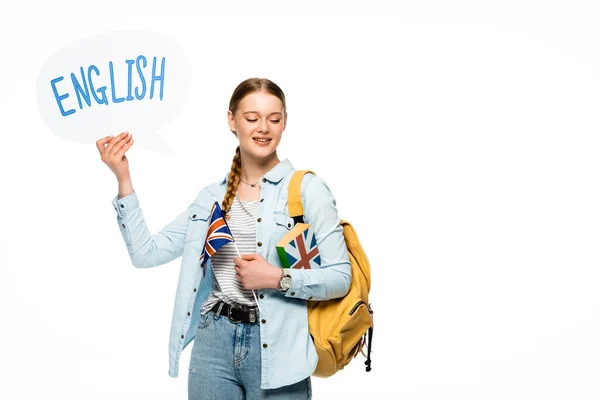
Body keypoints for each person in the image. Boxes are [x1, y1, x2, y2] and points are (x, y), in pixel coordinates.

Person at [96, 77, 352, 399]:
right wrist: (123, 178)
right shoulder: (211, 199)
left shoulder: (306, 190)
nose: (263, 128)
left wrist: (276, 277)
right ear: (232, 121)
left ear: (284, 122)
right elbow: (146, 253)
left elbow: (340, 277)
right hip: (212, 345)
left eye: (274, 119)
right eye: (252, 118)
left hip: (278, 346)